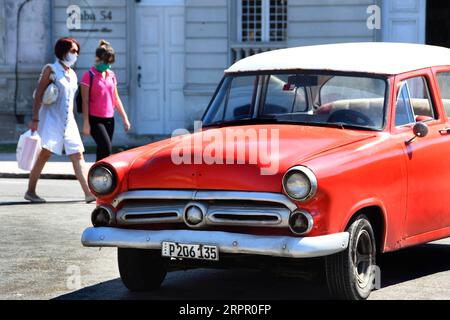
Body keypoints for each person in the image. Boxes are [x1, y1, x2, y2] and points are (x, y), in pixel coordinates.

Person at [26, 37, 95, 204]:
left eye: (77, 51)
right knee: (45, 154)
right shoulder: (51, 69)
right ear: (62, 51)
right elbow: (38, 96)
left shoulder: (72, 73)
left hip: (68, 121)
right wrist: (35, 119)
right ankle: (30, 191)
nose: (75, 54)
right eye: (72, 50)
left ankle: (88, 193)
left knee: (78, 154)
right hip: (50, 119)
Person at [81, 40, 131, 162]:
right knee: (106, 146)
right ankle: (101, 175)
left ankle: (98, 177)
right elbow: (85, 100)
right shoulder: (89, 75)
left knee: (103, 151)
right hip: (94, 119)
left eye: (110, 62)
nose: (108, 65)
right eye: (106, 62)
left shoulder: (111, 74)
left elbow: (116, 98)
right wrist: (86, 123)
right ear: (97, 59)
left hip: (110, 119)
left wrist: (125, 118)